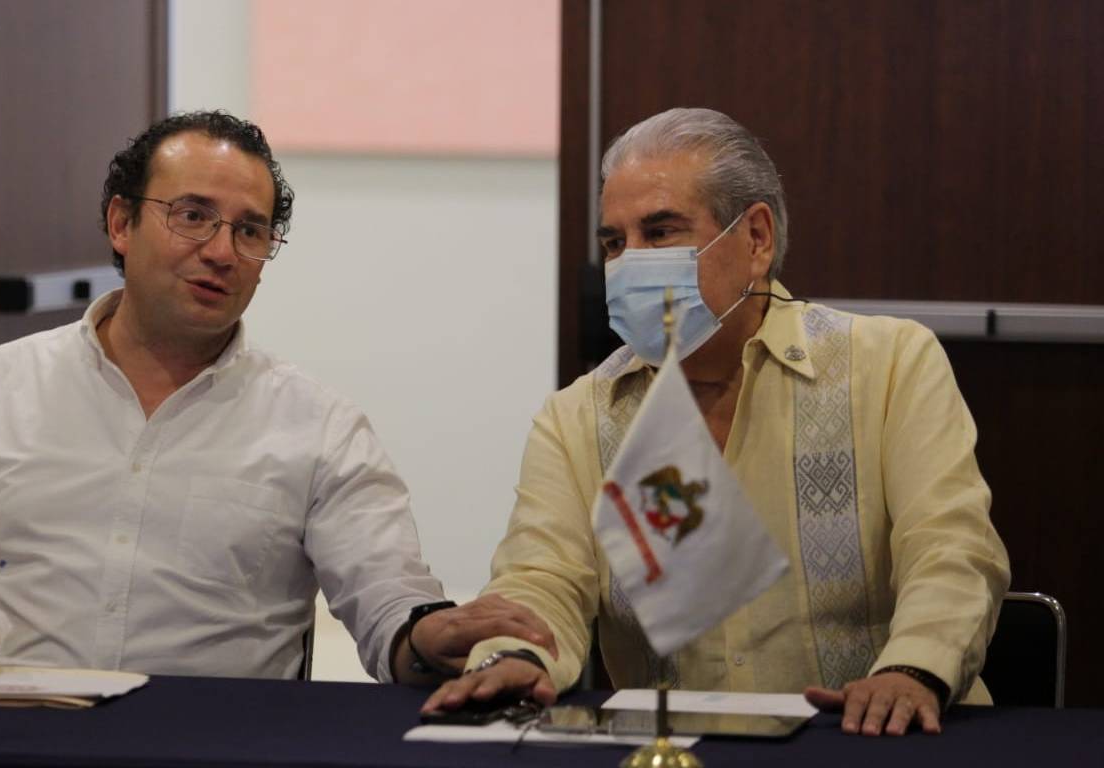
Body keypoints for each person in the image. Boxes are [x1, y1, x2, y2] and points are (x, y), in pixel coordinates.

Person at [0, 111, 548, 683]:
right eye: (192, 215)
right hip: (3, 733)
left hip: (212, 746)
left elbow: (391, 604)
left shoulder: (317, 426)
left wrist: (429, 634)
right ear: (120, 224)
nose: (221, 251)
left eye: (250, 231)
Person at [422, 107, 1010, 735]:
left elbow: (950, 548)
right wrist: (517, 656)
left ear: (756, 239)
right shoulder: (577, 417)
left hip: (871, 740)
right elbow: (542, 579)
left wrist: (913, 670)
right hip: (674, 750)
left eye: (660, 232)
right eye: (614, 243)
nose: (629, 263)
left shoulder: (889, 365)